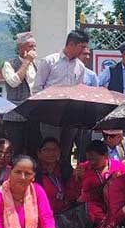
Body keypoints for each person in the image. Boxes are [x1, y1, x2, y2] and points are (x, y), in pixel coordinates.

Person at [33, 29, 90, 167]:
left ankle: (63, 178)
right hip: (50, 114)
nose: (84, 50)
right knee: (49, 150)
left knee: (65, 152)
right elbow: (37, 88)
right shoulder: (49, 61)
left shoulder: (80, 67)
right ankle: (46, 178)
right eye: (82, 47)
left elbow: (78, 90)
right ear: (71, 44)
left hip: (71, 116)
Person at [77, 140, 125, 228]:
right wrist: (77, 179)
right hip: (92, 211)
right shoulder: (83, 169)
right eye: (89, 159)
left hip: (116, 205)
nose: (91, 162)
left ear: (106, 155)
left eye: (95, 159)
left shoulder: (119, 167)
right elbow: (74, 192)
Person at [1, 32, 38, 156]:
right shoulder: (9, 64)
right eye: (30, 46)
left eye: (34, 46)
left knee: (33, 150)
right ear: (20, 48)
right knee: (16, 151)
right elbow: (14, 82)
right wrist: (26, 62)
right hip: (15, 116)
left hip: (32, 115)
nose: (33, 49)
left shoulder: (36, 65)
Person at [36, 137, 80, 214]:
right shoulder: (34, 172)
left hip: (65, 213)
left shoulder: (65, 169)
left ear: (59, 152)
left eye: (54, 150)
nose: (51, 153)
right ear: (39, 153)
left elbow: (73, 196)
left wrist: (77, 179)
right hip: (42, 214)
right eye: (47, 150)